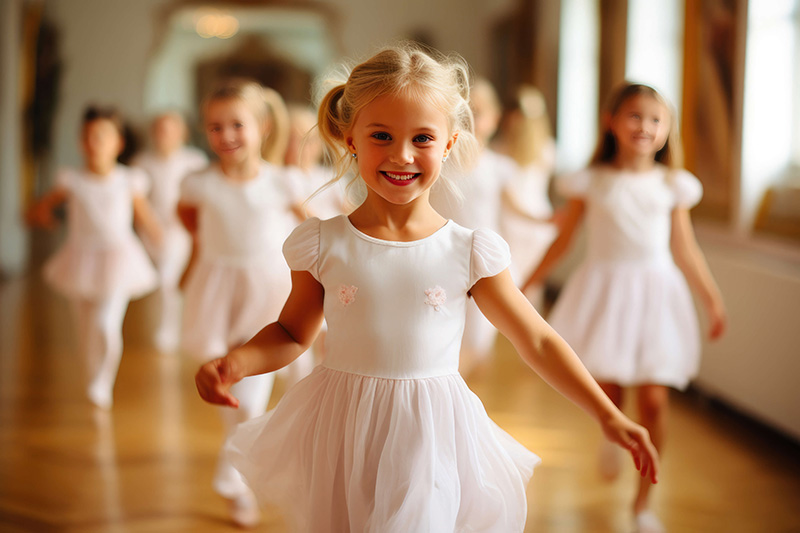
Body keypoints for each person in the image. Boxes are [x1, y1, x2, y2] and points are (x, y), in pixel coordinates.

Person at [194, 44, 659, 533]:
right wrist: (238, 362)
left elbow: (537, 340)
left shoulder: (469, 251)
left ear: (450, 144)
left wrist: (608, 415)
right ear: (350, 138)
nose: (401, 155)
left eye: (422, 138)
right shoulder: (322, 244)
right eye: (381, 135)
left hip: (429, 435)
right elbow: (292, 331)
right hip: (340, 430)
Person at [523, 82, 727, 533]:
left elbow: (686, 249)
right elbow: (564, 239)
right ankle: (611, 434)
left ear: (667, 129)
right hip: (606, 292)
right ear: (611, 121)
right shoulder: (591, 181)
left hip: (657, 297)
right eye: (635, 116)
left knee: (654, 401)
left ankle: (642, 503)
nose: (645, 127)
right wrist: (526, 283)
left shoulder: (672, 185)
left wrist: (711, 299)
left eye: (656, 120)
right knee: (610, 393)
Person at [176, 79, 296, 527]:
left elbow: (312, 232)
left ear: (262, 126)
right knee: (225, 389)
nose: (226, 136)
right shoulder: (198, 183)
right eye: (215, 127)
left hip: (265, 293)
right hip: (215, 290)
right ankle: (237, 477)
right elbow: (188, 220)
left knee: (248, 397)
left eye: (237, 125)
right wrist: (196, 260)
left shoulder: (282, 183)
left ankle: (234, 482)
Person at [26, 105, 161, 409]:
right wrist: (42, 215)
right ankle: (91, 376)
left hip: (118, 260)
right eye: (87, 137)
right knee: (85, 329)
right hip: (80, 259)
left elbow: (144, 217)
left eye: (101, 136)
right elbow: (41, 207)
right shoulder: (71, 179)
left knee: (105, 325)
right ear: (80, 142)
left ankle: (103, 381)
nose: (94, 143)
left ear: (118, 143)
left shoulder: (129, 180)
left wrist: (160, 236)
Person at [430, 77, 544, 373]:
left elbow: (515, 206)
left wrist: (546, 220)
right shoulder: (439, 161)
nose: (472, 117)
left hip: (483, 258)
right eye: (465, 110)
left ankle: (457, 385)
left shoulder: (498, 166)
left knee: (478, 338)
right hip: (440, 253)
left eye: (479, 111)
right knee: (441, 331)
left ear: (494, 120)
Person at [132, 111, 208, 352]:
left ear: (182, 133)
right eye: (159, 129)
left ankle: (169, 330)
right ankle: (163, 323)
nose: (164, 135)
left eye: (170, 129)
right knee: (157, 282)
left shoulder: (194, 162)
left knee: (168, 280)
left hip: (180, 231)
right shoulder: (141, 162)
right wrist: (149, 226)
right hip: (151, 229)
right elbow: (137, 201)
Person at [495, 85, 558, 310]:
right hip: (510, 224)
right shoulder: (498, 152)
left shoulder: (546, 150)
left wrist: (540, 219)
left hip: (536, 224)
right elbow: (507, 199)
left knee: (533, 285)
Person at [283, 104, 347, 222]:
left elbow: (348, 207)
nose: (305, 147)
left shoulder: (329, 175)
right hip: (321, 233)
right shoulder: (287, 175)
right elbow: (304, 214)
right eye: (296, 140)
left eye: (311, 140)